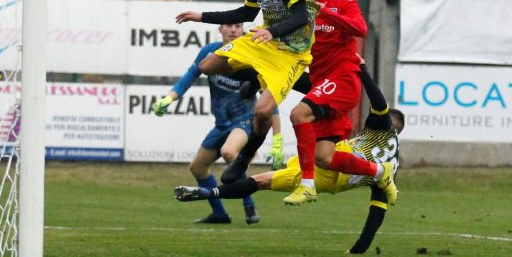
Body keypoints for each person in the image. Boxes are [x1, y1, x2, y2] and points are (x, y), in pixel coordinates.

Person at [174, 59, 405, 254]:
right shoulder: (393, 168)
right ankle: (208, 192)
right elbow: (377, 209)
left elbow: (379, 102)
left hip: (332, 157)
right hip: (325, 181)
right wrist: (359, 248)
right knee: (261, 181)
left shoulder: (383, 126)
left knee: (317, 95)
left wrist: (362, 70)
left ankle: (261, 77)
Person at [175, 0, 317, 185]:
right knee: (207, 65)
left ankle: (244, 158)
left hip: (290, 52)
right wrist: (201, 16)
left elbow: (300, 16)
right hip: (264, 39)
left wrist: (272, 33)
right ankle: (256, 76)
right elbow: (247, 13)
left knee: (263, 112)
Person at [283, 0, 395, 206]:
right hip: (322, 84)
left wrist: (323, 10)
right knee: (324, 157)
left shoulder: (344, 3)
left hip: (343, 80)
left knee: (298, 114)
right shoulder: (301, 8)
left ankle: (307, 186)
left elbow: (360, 29)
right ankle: (380, 172)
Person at [152, 23, 283, 225]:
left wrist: (277, 138)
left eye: (237, 26)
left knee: (230, 152)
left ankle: (249, 204)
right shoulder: (211, 52)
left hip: (244, 121)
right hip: (221, 124)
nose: (233, 30)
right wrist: (168, 99)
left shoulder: (251, 56)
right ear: (220, 30)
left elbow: (270, 102)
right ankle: (220, 214)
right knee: (197, 167)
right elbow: (189, 77)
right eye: (229, 26)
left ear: (242, 31)